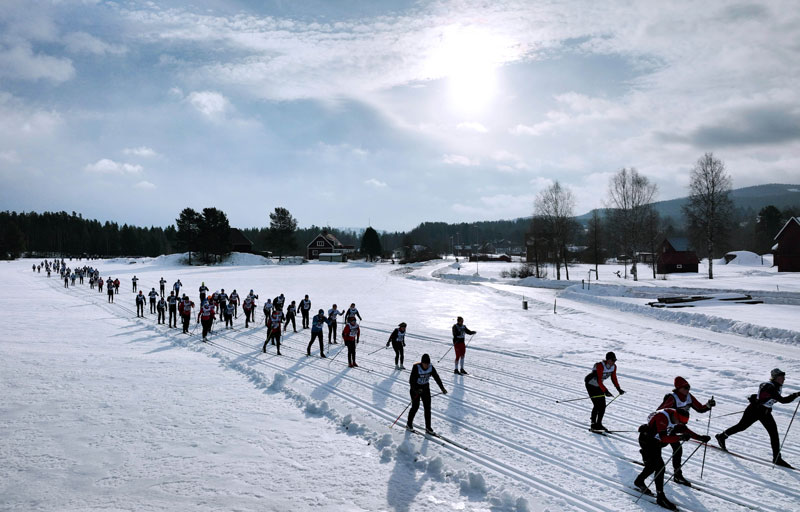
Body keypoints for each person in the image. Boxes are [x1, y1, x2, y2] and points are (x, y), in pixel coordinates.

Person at [716, 368, 800, 468]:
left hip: (765, 412)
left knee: (774, 433)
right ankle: (722, 436)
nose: (783, 379)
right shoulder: (769, 386)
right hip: (755, 411)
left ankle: (777, 458)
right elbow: (783, 400)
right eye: (781, 377)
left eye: (783, 377)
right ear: (775, 378)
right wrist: (796, 394)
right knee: (741, 427)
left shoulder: (777, 386)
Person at [634, 408, 710, 511]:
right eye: (679, 421)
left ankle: (639, 481)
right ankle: (660, 497)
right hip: (647, 441)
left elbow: (684, 429)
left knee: (652, 466)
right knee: (660, 467)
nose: (680, 423)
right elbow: (664, 438)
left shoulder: (675, 417)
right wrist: (680, 438)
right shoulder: (662, 417)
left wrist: (699, 437)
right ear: (675, 416)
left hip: (655, 442)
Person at [656, 377, 715, 486]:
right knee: (662, 445)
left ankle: (677, 475)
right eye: (685, 388)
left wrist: (708, 405)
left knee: (677, 449)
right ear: (678, 388)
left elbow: (700, 408)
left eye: (689, 387)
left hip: (679, 426)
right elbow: (659, 412)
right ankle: (648, 454)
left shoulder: (688, 397)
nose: (688, 390)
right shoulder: (672, 398)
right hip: (669, 426)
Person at [584, 352, 625, 432]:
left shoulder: (614, 367)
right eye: (612, 360)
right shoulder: (600, 365)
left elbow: (614, 378)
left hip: (599, 386)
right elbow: (599, 380)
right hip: (590, 384)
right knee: (597, 404)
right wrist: (606, 391)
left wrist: (618, 389)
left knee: (602, 405)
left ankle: (599, 424)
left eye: (615, 360)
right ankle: (593, 424)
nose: (613, 362)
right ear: (607, 360)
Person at [407, 354, 448, 434]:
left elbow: (437, 377)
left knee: (427, 408)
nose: (426, 365)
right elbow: (411, 381)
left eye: (428, 363)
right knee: (415, 407)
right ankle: (409, 424)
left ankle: (428, 427)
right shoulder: (416, 367)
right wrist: (416, 390)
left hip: (425, 389)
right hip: (415, 389)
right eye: (425, 363)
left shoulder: (431, 367)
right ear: (422, 363)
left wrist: (442, 388)